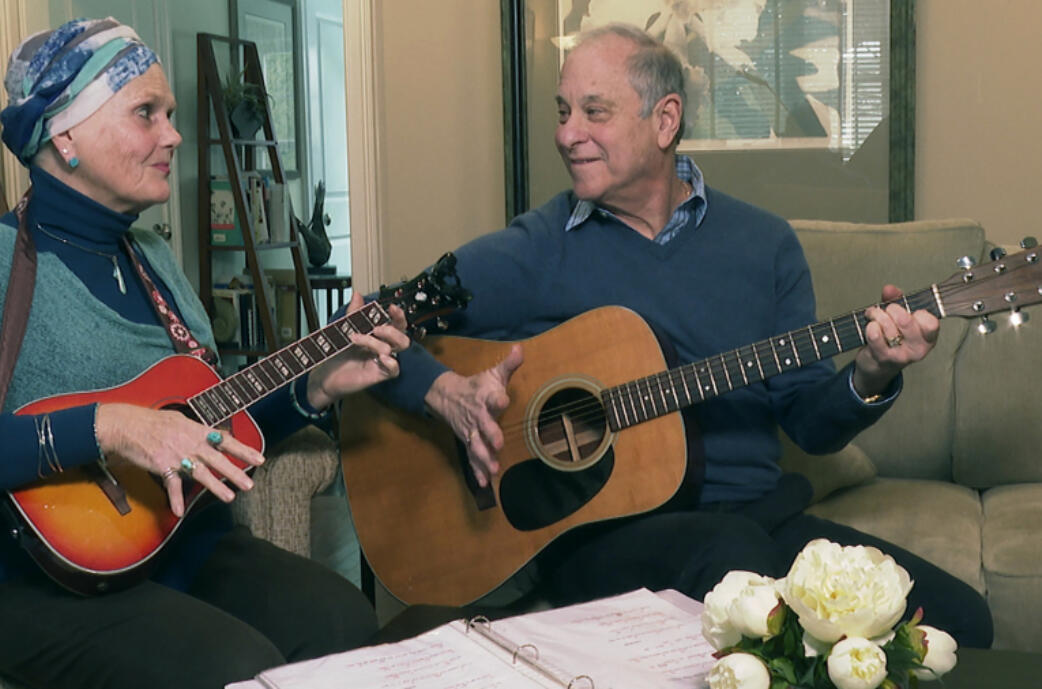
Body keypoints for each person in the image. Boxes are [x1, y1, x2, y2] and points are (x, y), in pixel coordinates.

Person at [369, 23, 993, 648]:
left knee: (956, 621)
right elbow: (375, 320)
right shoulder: (537, 246)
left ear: (664, 120)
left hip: (756, 519)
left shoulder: (765, 245)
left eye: (594, 112)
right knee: (737, 561)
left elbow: (808, 423)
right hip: (599, 538)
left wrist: (873, 374)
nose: (566, 133)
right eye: (563, 112)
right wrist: (444, 392)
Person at [0, 17, 409, 688]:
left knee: (345, 622)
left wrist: (314, 387)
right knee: (235, 668)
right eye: (146, 114)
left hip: (180, 546)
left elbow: (202, 426)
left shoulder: (154, 260)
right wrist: (108, 426)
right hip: (33, 584)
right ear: (65, 135)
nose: (174, 136)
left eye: (172, 115)